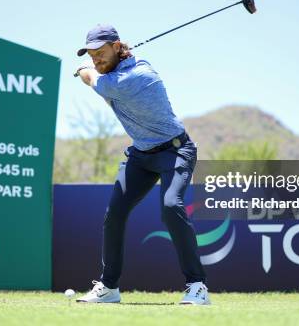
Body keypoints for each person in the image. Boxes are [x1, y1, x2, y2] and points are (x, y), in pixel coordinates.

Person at [73, 24, 209, 305]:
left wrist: (85, 68)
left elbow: (90, 78)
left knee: (172, 207)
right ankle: (109, 287)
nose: (96, 59)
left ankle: (197, 286)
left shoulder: (134, 78)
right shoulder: (124, 69)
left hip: (176, 151)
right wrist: (103, 63)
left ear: (116, 46)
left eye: (101, 52)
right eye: (92, 54)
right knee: (115, 213)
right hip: (141, 155)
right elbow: (105, 71)